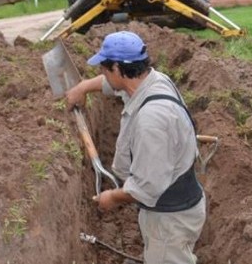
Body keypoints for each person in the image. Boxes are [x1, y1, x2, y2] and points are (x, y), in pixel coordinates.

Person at [65, 30, 206, 264]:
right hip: (178, 205)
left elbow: (148, 188)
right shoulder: (152, 81)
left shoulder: (151, 120)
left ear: (118, 69)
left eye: (104, 68)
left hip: (169, 220)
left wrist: (113, 197)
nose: (101, 72)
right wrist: (83, 87)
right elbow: (112, 85)